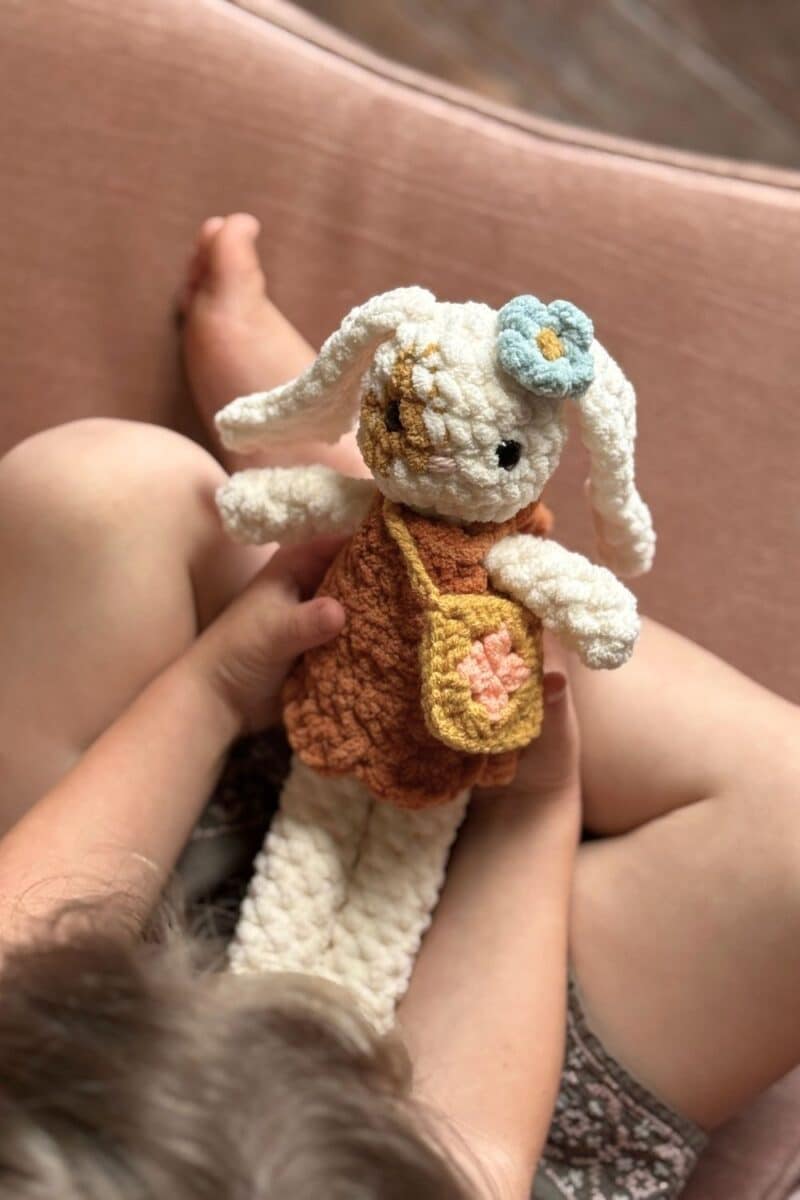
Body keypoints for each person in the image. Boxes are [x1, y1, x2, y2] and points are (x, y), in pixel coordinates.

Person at [0, 213, 797, 1200]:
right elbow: (475, 1148)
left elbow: (18, 954)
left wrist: (212, 689)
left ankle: (384, 514)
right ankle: (435, 528)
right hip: (459, 1076)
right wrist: (529, 803)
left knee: (94, 492)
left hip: (102, 989)